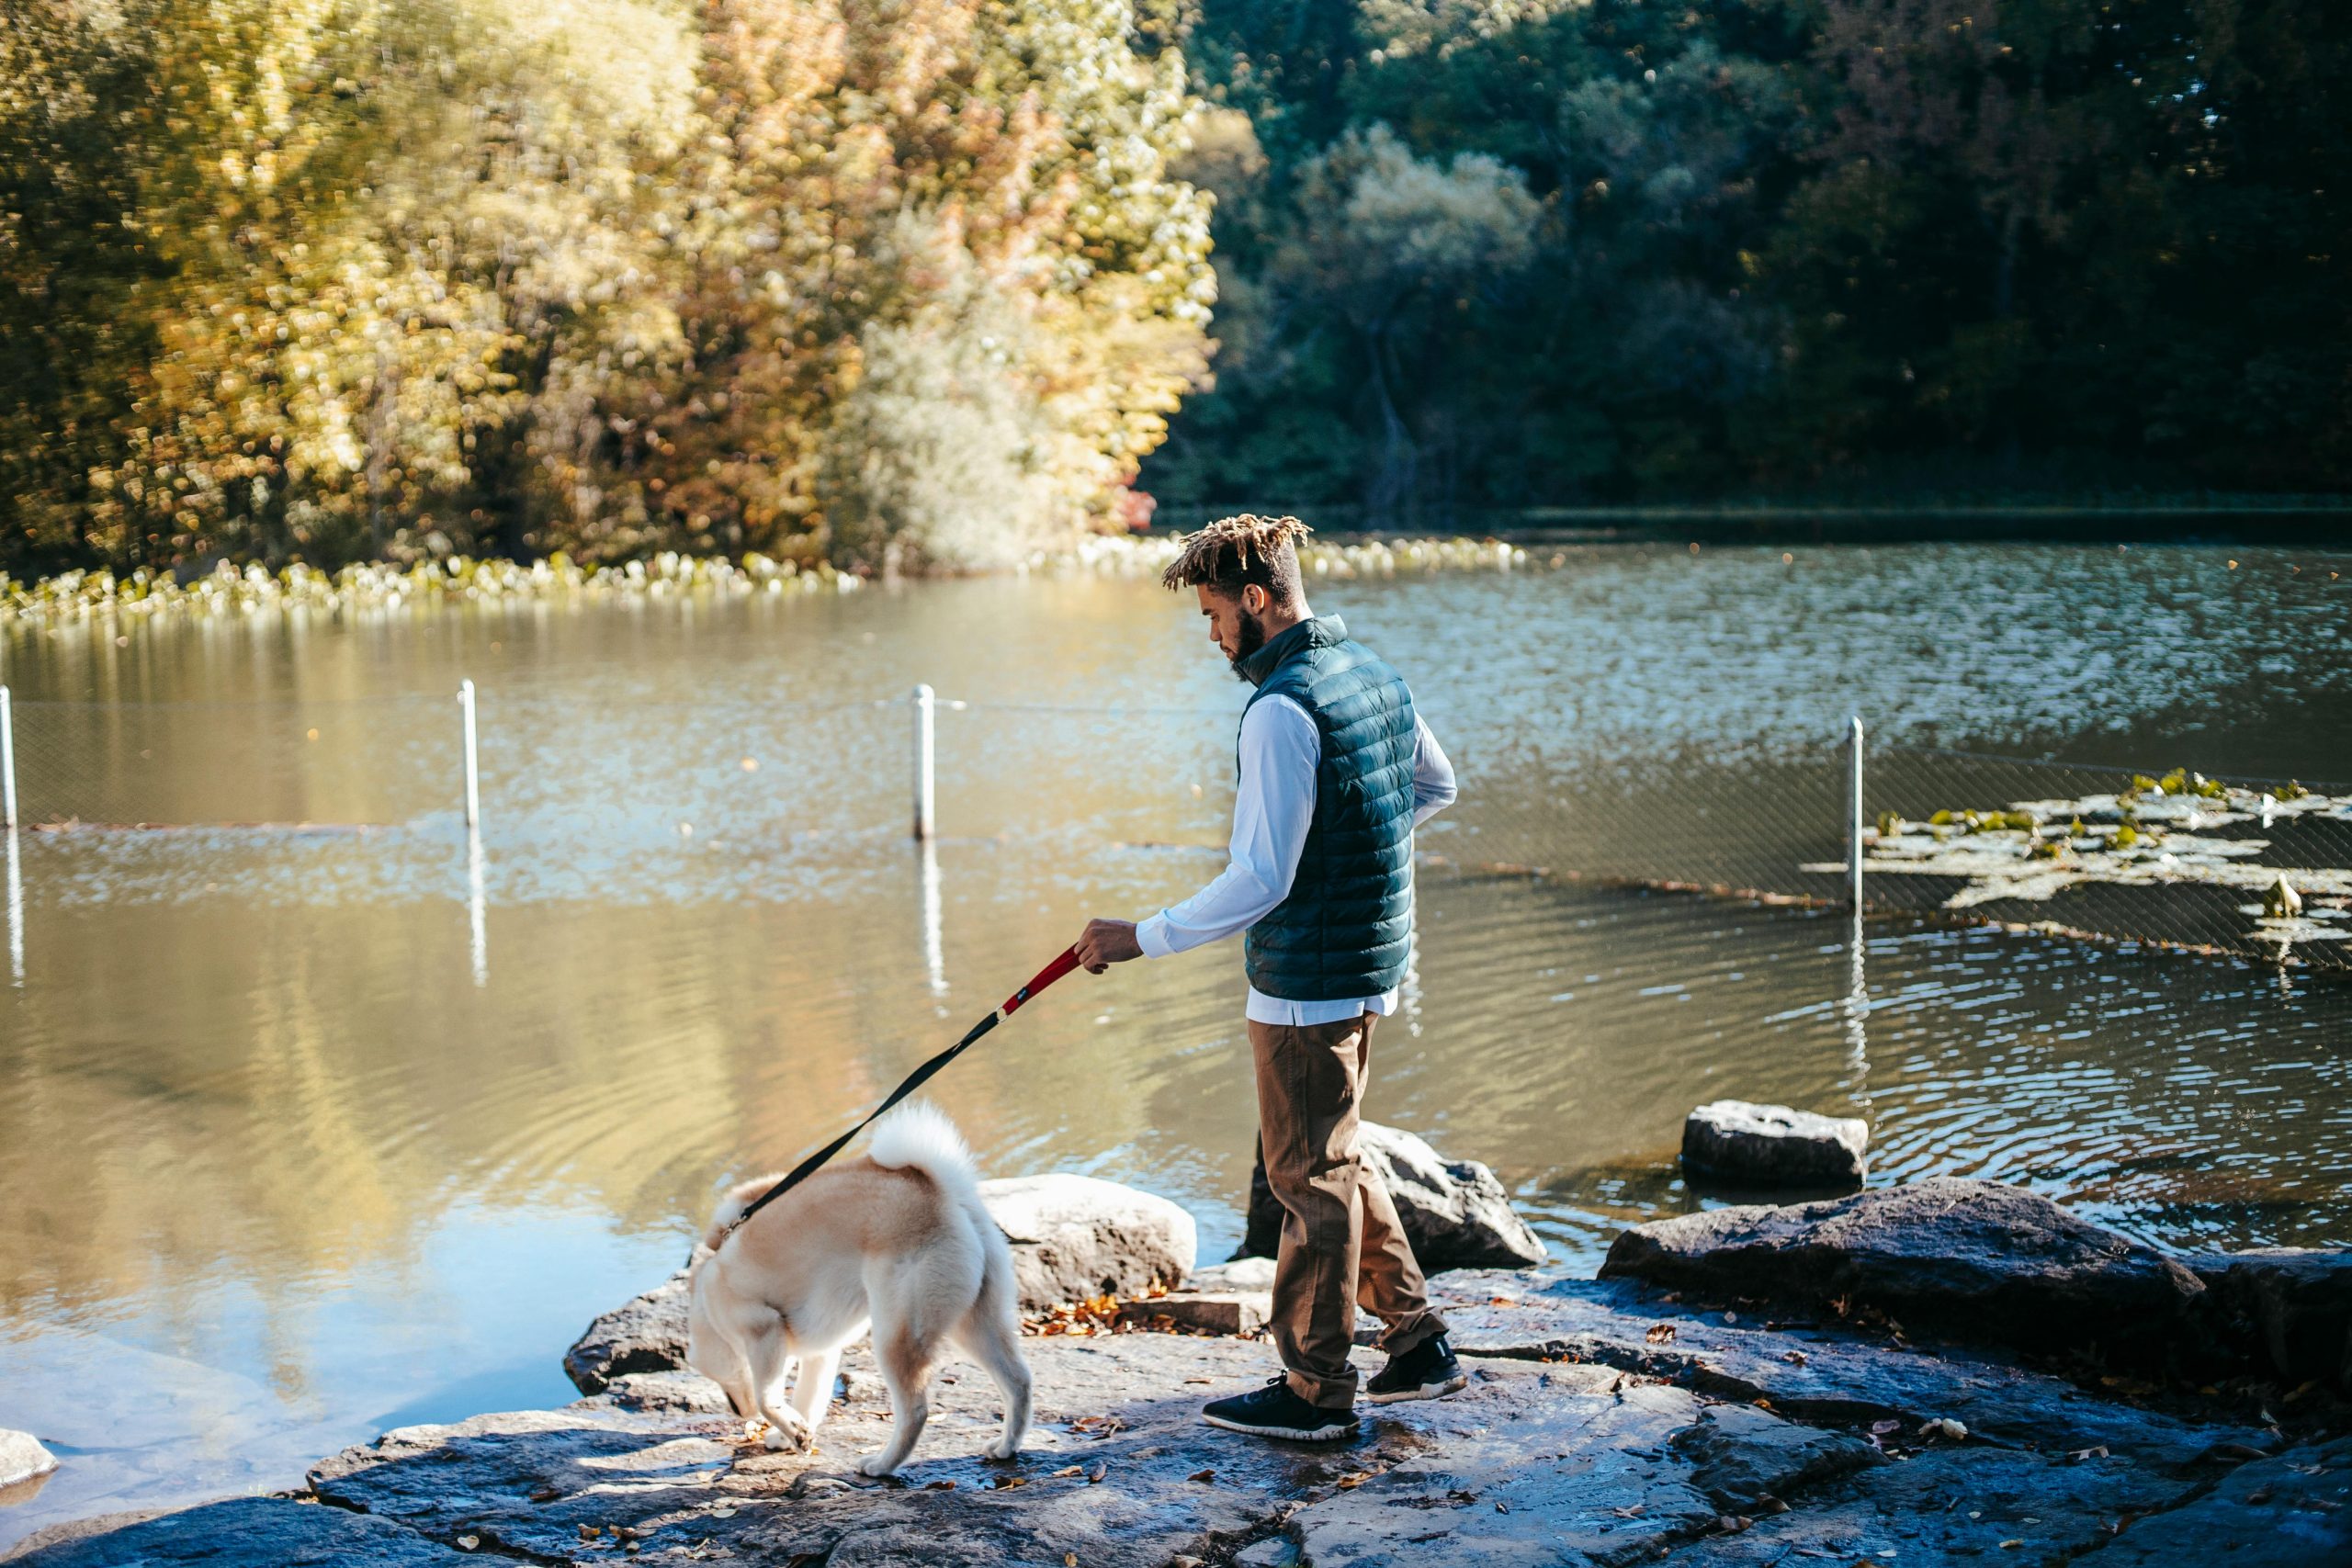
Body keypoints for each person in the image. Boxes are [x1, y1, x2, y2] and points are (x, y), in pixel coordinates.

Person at [1072, 513, 1464, 1443]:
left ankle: (1314, 1393)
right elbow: (1435, 785)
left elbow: (1260, 880)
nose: (1211, 638)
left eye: (1213, 615)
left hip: (1306, 986)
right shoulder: (1371, 671)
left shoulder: (1282, 709)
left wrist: (1141, 937)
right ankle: (1415, 1343)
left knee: (1306, 1179)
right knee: (1337, 1155)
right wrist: (1349, 860)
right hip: (1370, 965)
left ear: (1257, 599)